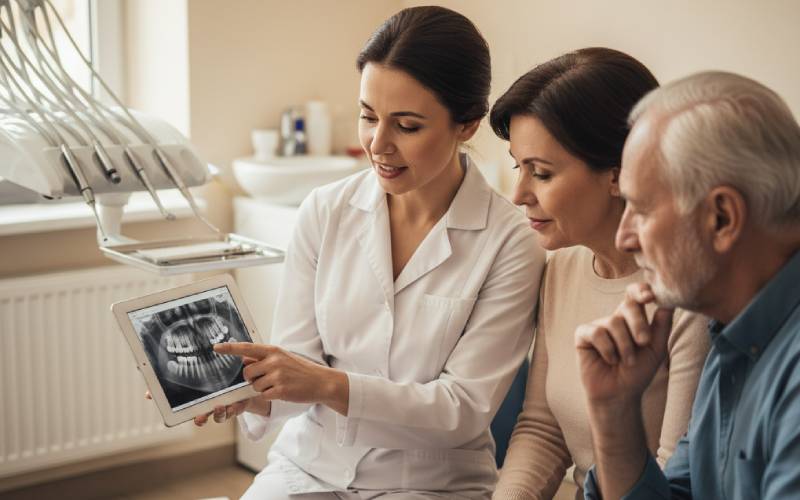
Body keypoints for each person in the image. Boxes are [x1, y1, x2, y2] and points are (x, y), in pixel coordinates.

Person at [198, 6, 545, 499]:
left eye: (407, 126)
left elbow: (463, 409)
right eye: (367, 117)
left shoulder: (510, 241)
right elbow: (299, 364)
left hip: (428, 484)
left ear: (467, 125)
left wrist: (327, 385)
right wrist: (249, 393)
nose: (377, 144)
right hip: (310, 467)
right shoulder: (325, 210)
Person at [488, 48, 710, 499]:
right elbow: (542, 429)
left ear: (618, 174)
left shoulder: (690, 297)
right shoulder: (562, 267)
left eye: (541, 173)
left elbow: (675, 479)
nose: (519, 194)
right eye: (517, 167)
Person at [576, 71, 800, 499]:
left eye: (640, 210)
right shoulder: (733, 335)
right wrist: (613, 413)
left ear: (722, 218)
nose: (624, 238)